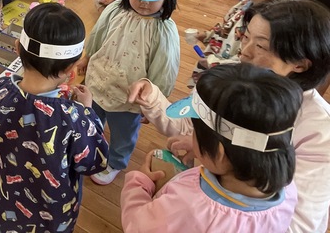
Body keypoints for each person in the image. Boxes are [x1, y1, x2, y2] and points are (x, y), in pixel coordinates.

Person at [128, 0, 330, 233]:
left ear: (300, 65)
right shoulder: (239, 81)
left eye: (261, 46)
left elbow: (299, 226)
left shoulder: (320, 132)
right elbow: (193, 124)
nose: (244, 52)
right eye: (246, 37)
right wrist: (154, 99)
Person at [0, 3, 109, 233]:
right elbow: (95, 161)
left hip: (4, 203)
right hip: (51, 220)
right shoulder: (73, 116)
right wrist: (87, 111)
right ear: (71, 69)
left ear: (17, 48)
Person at [121, 63, 300, 232]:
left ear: (221, 153)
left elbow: (137, 225)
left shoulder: (187, 205)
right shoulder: (286, 191)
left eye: (195, 133)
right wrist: (206, 149)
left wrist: (140, 183)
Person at [78, 0, 180, 185]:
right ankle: (91, 145)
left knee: (123, 133)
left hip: (128, 96)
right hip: (98, 79)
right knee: (93, 117)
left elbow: (164, 68)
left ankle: (116, 161)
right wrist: (87, 57)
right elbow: (98, 35)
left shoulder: (163, 29)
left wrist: (154, 102)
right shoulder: (115, 9)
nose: (144, 2)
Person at [187, 0, 304, 87]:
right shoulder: (245, 4)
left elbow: (252, 63)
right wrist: (207, 36)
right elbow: (227, 27)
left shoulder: (267, 28)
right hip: (213, 67)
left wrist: (214, 63)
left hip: (230, 81)